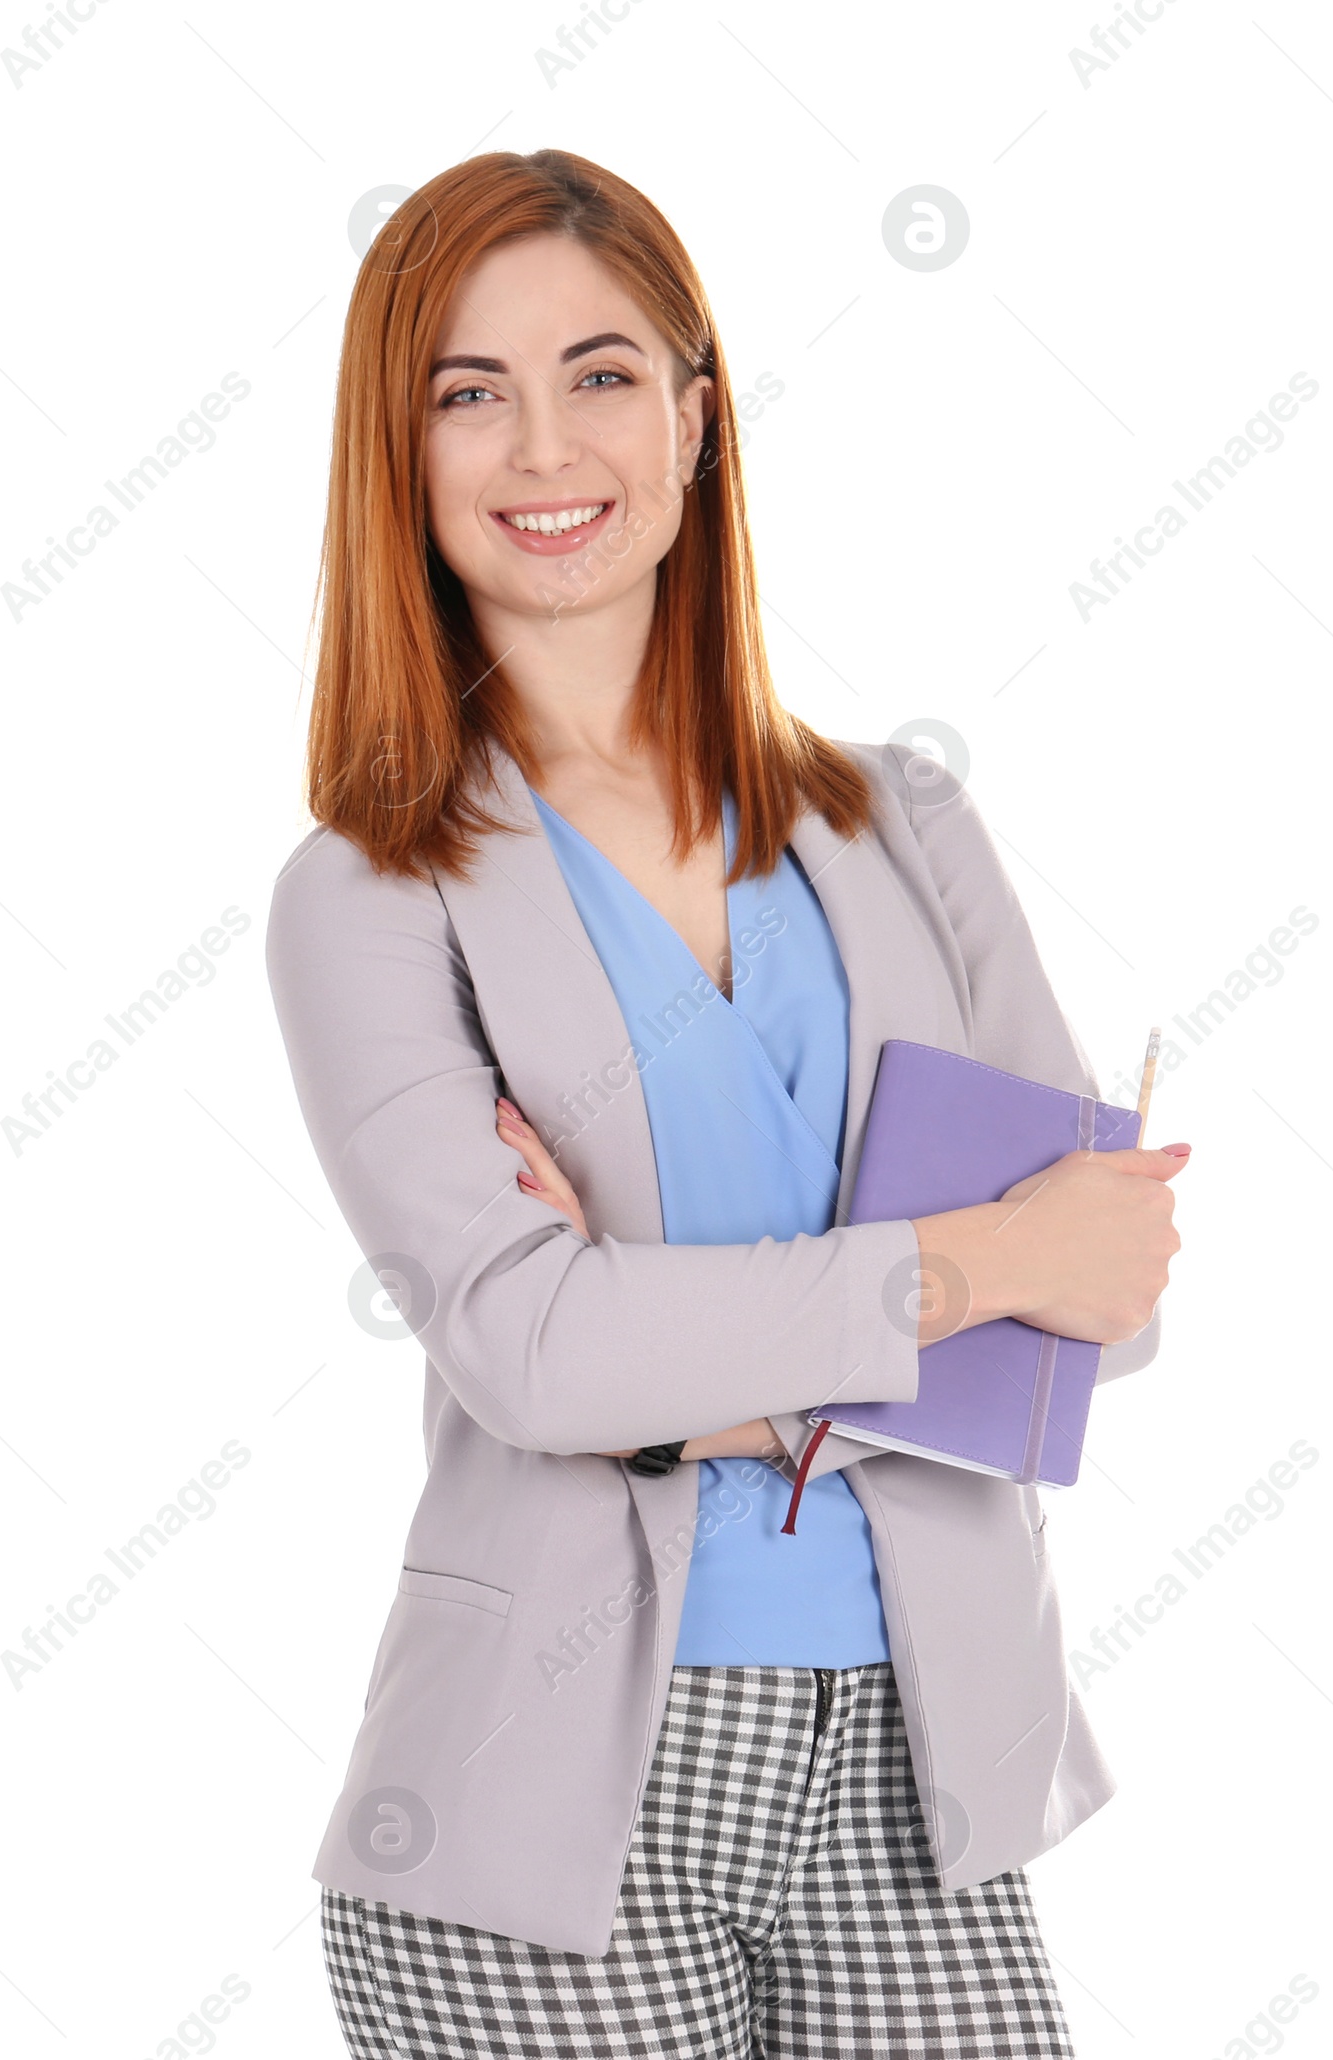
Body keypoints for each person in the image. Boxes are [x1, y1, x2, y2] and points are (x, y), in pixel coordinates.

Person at [266, 146, 1186, 2060]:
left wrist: (678, 1349)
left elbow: (1106, 1302)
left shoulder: (901, 825)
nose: (543, 447)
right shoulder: (372, 889)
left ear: (696, 422)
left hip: (920, 1773)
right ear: (403, 458)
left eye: (600, 374)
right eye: (468, 391)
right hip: (546, 1810)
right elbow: (533, 1356)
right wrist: (970, 1264)